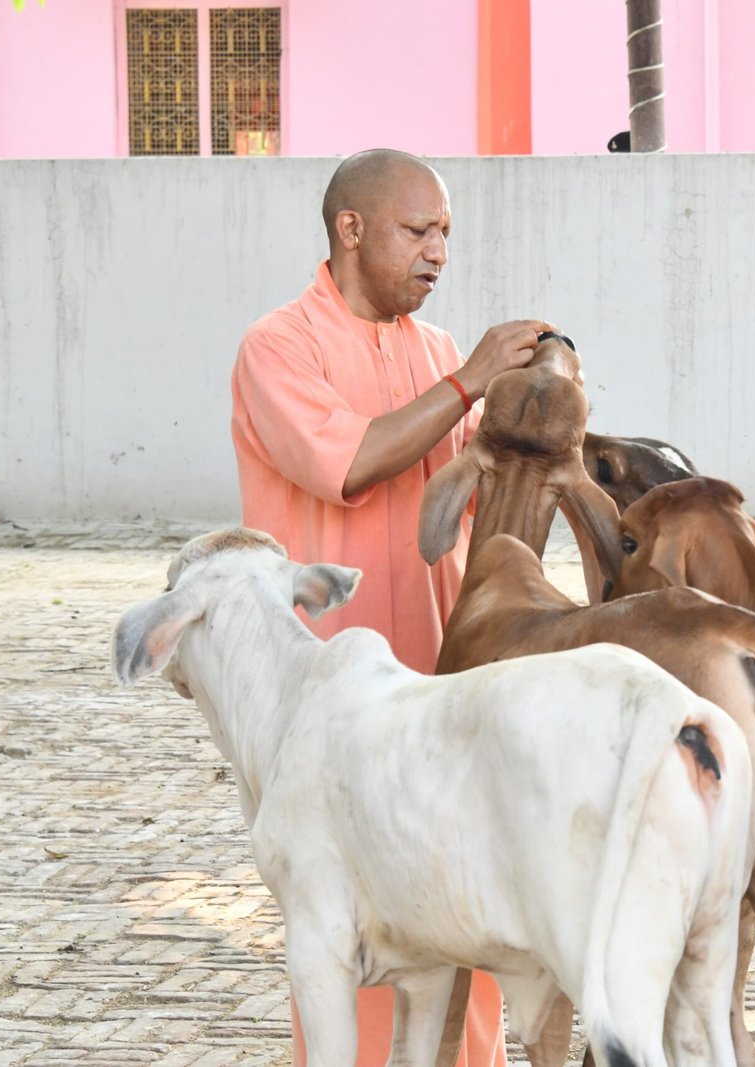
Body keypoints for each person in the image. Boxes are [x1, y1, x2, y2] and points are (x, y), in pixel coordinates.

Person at [231, 148, 551, 1067]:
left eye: (446, 232)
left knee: (471, 901)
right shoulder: (278, 346)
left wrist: (534, 411)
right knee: (351, 925)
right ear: (351, 229)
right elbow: (350, 463)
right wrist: (473, 382)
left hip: (444, 686)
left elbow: (482, 503)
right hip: (327, 701)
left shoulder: (441, 351)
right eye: (418, 230)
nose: (438, 250)